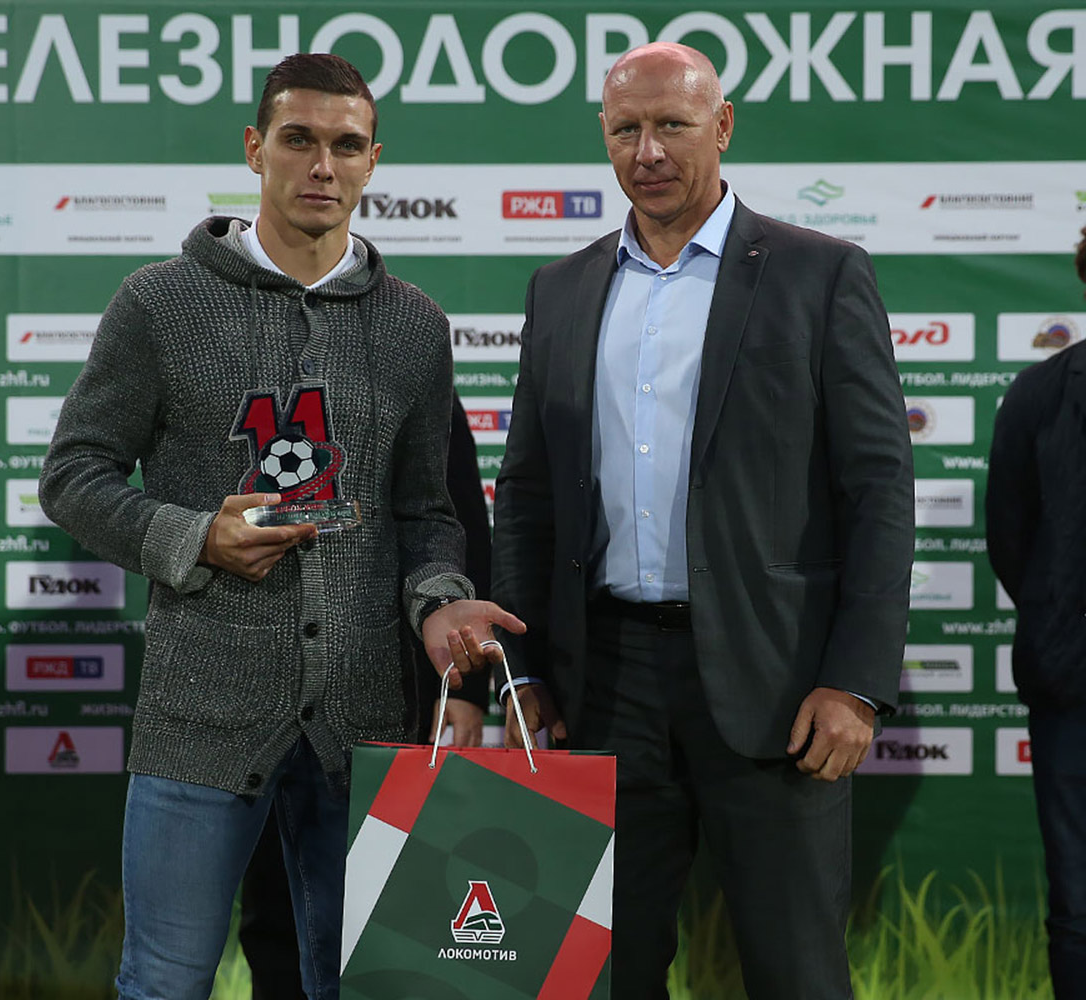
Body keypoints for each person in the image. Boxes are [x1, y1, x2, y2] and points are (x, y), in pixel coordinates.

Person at [39, 52, 519, 1000]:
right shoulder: (160, 303)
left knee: (363, 984)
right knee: (163, 983)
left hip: (365, 719)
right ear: (256, 149)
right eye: (299, 140)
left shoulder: (415, 326)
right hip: (201, 713)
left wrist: (439, 601)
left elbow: (427, 512)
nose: (322, 166)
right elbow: (72, 478)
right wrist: (193, 537)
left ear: (373, 160)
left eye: (347, 145)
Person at [489, 42, 914, 998]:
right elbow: (526, 492)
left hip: (779, 684)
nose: (648, 151)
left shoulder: (820, 275)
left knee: (798, 974)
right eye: (626, 129)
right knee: (602, 976)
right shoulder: (560, 290)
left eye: (672, 126)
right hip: (603, 686)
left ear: (721, 128)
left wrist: (855, 681)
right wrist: (524, 668)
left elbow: (880, 489)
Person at [237, 392, 494, 999]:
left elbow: (453, 523)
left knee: (372, 903)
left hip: (378, 689)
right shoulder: (234, 372)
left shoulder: (404, 359)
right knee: (272, 904)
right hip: (251, 688)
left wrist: (464, 687)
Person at [985, 227, 1086, 1000]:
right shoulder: (1039, 394)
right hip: (1072, 684)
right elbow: (1011, 539)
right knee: (1079, 906)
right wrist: (1062, 616)